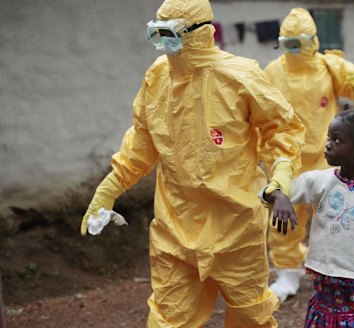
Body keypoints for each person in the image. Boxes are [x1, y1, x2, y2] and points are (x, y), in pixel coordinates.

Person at [79, 0, 305, 326]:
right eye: (156, 33)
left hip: (236, 225)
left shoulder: (239, 77)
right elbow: (142, 140)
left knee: (250, 314)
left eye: (169, 34)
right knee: (169, 316)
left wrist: (280, 178)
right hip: (175, 226)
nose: (163, 45)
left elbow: (281, 129)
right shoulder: (158, 77)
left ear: (198, 34)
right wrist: (111, 186)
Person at [264, 7, 354, 302]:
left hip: (326, 157)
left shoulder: (330, 66)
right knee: (284, 219)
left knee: (334, 215)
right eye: (288, 43)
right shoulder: (272, 71)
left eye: (299, 43)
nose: (294, 50)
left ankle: (338, 270)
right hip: (287, 160)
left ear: (312, 42)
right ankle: (288, 272)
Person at [263, 110, 354, 328]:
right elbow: (266, 192)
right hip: (324, 297)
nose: (328, 144)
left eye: (337, 140)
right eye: (329, 138)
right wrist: (279, 195)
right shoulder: (319, 181)